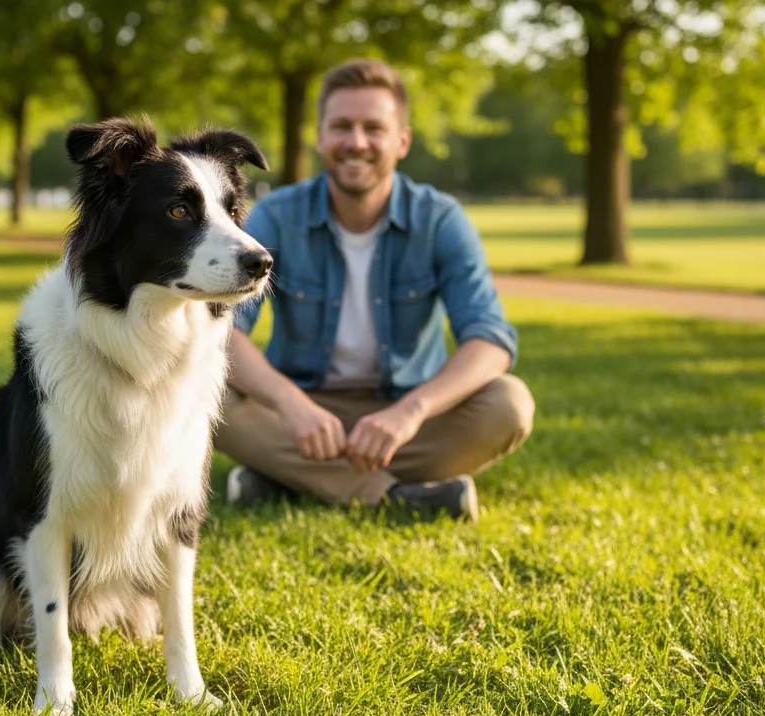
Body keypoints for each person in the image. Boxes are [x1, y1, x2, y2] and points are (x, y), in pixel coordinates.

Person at [215, 58, 535, 521]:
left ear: (401, 140)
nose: (356, 142)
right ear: (321, 136)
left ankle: (286, 479)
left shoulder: (441, 219)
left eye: (374, 128)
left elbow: (490, 339)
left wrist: (410, 412)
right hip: (301, 413)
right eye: (342, 126)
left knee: (509, 404)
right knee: (205, 387)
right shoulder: (276, 216)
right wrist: (291, 405)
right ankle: (398, 499)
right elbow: (222, 327)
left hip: (400, 417)